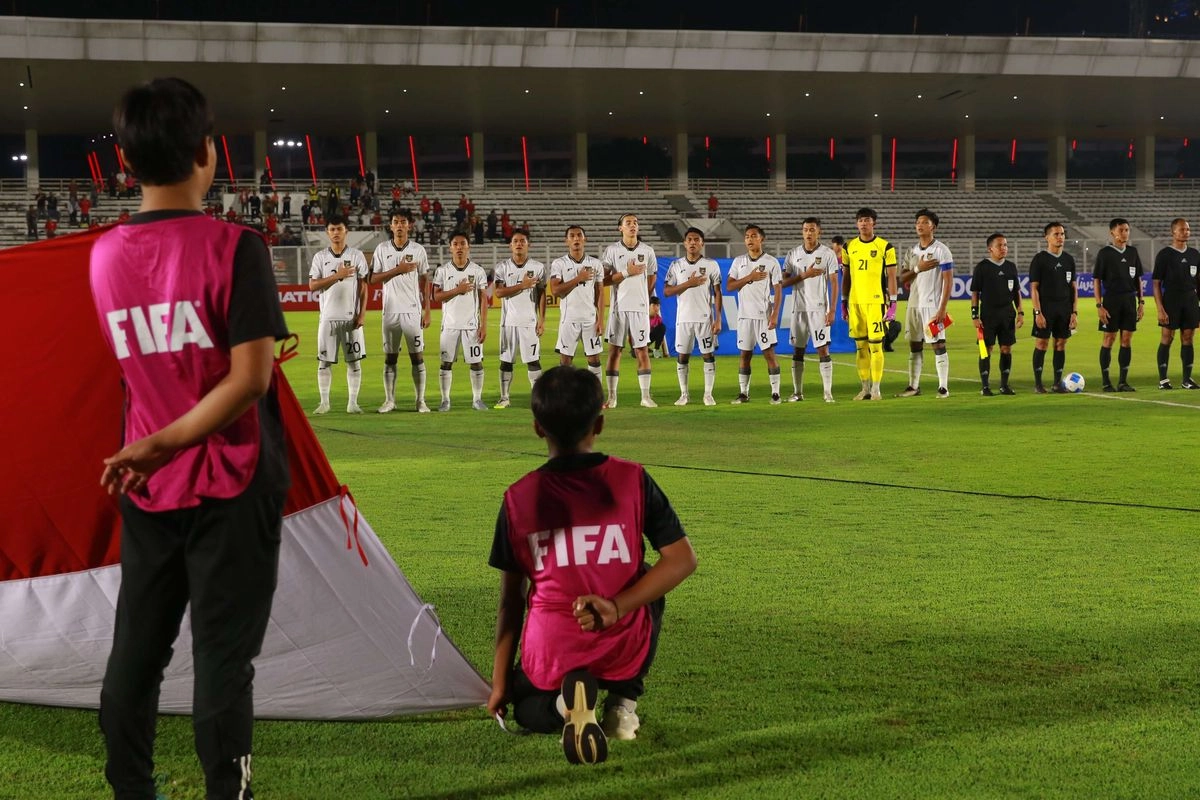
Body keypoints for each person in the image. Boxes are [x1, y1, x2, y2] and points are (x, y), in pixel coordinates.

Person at [89, 76, 288, 800]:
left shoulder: (102, 255)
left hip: (145, 481)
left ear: (125, 158)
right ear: (209, 150)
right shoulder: (235, 246)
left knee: (136, 654)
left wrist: (150, 446)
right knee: (223, 663)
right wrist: (167, 442)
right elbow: (250, 382)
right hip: (228, 479)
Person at [487, 366, 697, 764]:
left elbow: (510, 601)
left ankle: (564, 710)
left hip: (554, 646)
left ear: (537, 428)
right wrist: (616, 606)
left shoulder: (517, 498)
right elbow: (682, 559)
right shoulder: (632, 478)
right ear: (599, 422)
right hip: (622, 641)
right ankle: (622, 707)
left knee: (525, 706)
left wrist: (500, 683)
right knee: (649, 578)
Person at [369, 209, 432, 413]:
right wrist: (398, 269)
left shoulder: (418, 250)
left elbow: (425, 280)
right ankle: (389, 400)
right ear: (391, 225)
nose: (399, 225)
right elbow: (372, 279)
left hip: (412, 311)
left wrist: (428, 310)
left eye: (403, 222)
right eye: (395, 222)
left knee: (417, 357)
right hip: (390, 312)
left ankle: (420, 400)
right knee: (390, 358)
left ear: (409, 225)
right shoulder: (381, 249)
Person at [308, 215, 369, 413]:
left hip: (351, 318)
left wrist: (362, 314)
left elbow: (363, 287)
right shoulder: (320, 257)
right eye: (332, 229)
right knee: (324, 361)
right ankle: (324, 403)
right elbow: (312, 285)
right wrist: (337, 276)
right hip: (327, 318)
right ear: (327, 232)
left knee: (354, 362)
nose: (336, 233)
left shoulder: (357, 255)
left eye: (339, 229)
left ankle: (353, 403)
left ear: (346, 231)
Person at [841, 208, 899, 400]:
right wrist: (844, 301)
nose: (863, 223)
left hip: (876, 304)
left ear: (874, 223)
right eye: (860, 220)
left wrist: (893, 304)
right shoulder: (849, 247)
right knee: (860, 348)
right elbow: (846, 277)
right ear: (857, 224)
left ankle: (876, 388)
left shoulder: (885, 247)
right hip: (856, 303)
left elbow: (891, 277)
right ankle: (865, 388)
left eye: (867, 220)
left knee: (876, 347)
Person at [781, 217, 840, 403]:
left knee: (823, 349)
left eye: (812, 229)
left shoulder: (828, 254)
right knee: (798, 351)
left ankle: (827, 392)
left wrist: (832, 311)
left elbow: (834, 282)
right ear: (802, 232)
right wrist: (804, 275)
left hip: (820, 309)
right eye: (806, 229)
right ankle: (797, 392)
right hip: (799, 310)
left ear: (819, 232)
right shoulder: (793, 254)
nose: (809, 233)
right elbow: (783, 283)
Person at [601, 213, 658, 408]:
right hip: (619, 309)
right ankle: (611, 397)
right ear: (620, 228)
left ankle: (645, 397)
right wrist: (626, 273)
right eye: (628, 223)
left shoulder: (648, 251)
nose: (633, 225)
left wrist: (643, 296)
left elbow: (651, 279)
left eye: (635, 222)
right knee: (615, 351)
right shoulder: (612, 251)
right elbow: (603, 280)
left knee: (642, 350)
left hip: (640, 310)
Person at [896, 209, 954, 398]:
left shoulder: (941, 250)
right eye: (918, 222)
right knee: (915, 345)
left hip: (932, 306)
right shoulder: (911, 251)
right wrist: (917, 268)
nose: (920, 225)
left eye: (925, 222)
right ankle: (913, 386)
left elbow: (948, 280)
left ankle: (943, 387)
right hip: (914, 304)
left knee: (938, 344)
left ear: (933, 227)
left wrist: (942, 308)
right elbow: (902, 277)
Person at [663, 227, 722, 406]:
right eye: (689, 239)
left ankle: (708, 394)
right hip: (684, 319)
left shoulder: (711, 265)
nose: (693, 242)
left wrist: (718, 318)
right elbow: (666, 291)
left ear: (702, 243)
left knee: (708, 355)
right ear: (684, 243)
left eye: (697, 239)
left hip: (704, 318)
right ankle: (684, 394)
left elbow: (718, 293)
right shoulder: (676, 265)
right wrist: (689, 283)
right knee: (682, 357)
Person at [431, 232, 490, 411]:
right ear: (450, 247)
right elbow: (435, 296)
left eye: (462, 243)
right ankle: (445, 400)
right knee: (446, 363)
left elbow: (483, 300)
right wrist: (458, 289)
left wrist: (484, 325)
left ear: (468, 247)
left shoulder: (478, 271)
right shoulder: (442, 271)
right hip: (449, 325)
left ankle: (477, 399)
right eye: (455, 244)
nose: (459, 247)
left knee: (476, 362)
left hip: (471, 326)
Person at [726, 224, 783, 404]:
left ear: (761, 239)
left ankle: (775, 393)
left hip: (763, 316)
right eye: (747, 237)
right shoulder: (738, 262)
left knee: (769, 354)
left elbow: (778, 291)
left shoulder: (771, 262)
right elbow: (729, 286)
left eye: (753, 236)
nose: (749, 239)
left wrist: (774, 315)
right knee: (745, 355)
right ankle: (743, 393)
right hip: (744, 317)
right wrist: (749, 277)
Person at [492, 230, 547, 408]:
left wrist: (542, 320)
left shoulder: (538, 267)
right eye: (515, 241)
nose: (519, 244)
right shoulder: (502, 268)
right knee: (506, 361)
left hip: (529, 322)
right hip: (508, 323)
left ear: (528, 244)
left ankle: (537, 399)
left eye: (522, 241)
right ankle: (504, 397)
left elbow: (541, 294)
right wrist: (522, 285)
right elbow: (498, 292)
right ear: (510, 245)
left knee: (533, 360)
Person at [1093, 218, 1144, 392]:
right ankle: (1106, 381)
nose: (1125, 233)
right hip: (1111, 301)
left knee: (1126, 340)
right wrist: (1099, 305)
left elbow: (1138, 279)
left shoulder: (1132, 252)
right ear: (1112, 233)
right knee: (1109, 338)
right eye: (1121, 230)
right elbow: (1097, 280)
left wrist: (1141, 303)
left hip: (1129, 301)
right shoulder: (1105, 253)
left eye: (1127, 230)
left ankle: (1123, 382)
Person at [970, 233, 1024, 395]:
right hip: (988, 314)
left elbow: (1016, 292)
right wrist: (975, 315)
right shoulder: (982, 267)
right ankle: (985, 386)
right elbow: (975, 293)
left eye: (1005, 245)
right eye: (1000, 245)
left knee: (1006, 349)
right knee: (986, 349)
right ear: (990, 249)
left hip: (1007, 314)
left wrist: (1020, 312)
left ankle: (1004, 385)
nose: (1004, 248)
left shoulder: (1010, 267)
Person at [550, 225, 605, 379]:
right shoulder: (559, 264)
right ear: (566, 241)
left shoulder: (595, 264)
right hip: (569, 319)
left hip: (590, 319)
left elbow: (600, 292)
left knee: (594, 360)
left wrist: (600, 320)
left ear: (584, 239)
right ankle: (565, 398)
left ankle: (596, 397)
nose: (576, 239)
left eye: (579, 235)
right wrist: (578, 279)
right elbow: (555, 290)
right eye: (572, 236)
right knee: (566, 361)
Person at [1029, 222, 1078, 393]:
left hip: (1064, 309)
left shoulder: (1068, 259)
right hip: (1045, 309)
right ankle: (1038, 384)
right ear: (1047, 237)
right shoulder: (1040, 259)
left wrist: (1074, 312)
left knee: (1060, 344)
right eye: (1056, 234)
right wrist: (1037, 312)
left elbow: (1073, 288)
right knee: (1042, 343)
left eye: (1062, 234)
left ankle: (1058, 383)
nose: (1060, 237)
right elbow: (1034, 288)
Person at [1152, 217, 1200, 389]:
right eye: (1181, 229)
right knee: (1167, 337)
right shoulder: (1165, 255)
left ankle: (1187, 379)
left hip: (1190, 300)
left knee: (1188, 338)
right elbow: (1156, 283)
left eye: (1187, 229)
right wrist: (1160, 309)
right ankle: (1163, 379)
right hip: (1171, 300)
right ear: (1173, 232)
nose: (1185, 232)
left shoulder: (1195, 254)